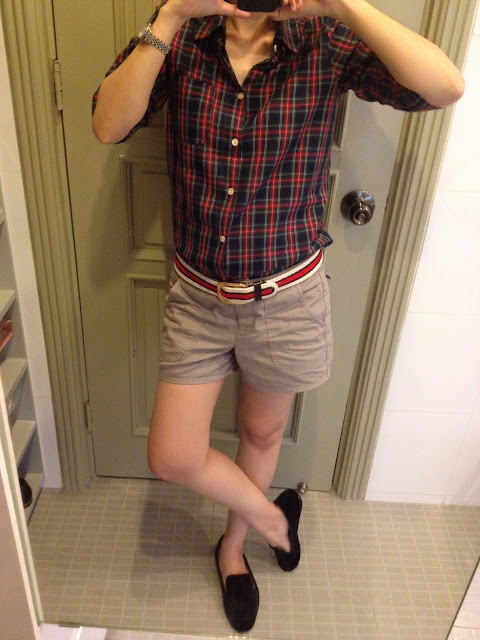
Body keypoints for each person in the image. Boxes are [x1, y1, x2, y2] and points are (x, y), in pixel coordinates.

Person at [92, 0, 464, 631]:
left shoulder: (323, 40)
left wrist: (341, 4)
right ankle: (272, 518)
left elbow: (444, 86)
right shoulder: (182, 37)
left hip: (288, 298)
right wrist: (171, 14)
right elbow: (108, 125)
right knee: (173, 455)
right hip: (198, 297)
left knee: (262, 434)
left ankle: (233, 549)